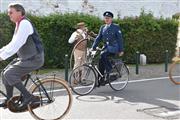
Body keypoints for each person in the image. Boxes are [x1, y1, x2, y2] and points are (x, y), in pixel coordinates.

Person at [0, 3, 44, 109]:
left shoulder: (24, 24)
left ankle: (29, 97)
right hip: (26, 58)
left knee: (9, 74)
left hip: (34, 59)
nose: (9, 15)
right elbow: (12, 44)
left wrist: (1, 57)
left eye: (11, 12)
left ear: (19, 12)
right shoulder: (19, 24)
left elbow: (16, 45)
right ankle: (9, 99)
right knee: (4, 74)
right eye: (8, 13)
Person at [92, 11, 124, 86]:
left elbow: (120, 39)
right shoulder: (102, 27)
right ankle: (101, 79)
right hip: (106, 48)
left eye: (108, 18)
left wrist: (121, 50)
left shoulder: (116, 27)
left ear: (111, 19)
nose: (106, 19)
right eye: (105, 18)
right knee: (100, 60)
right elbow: (98, 38)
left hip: (114, 47)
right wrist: (93, 47)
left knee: (103, 55)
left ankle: (110, 70)